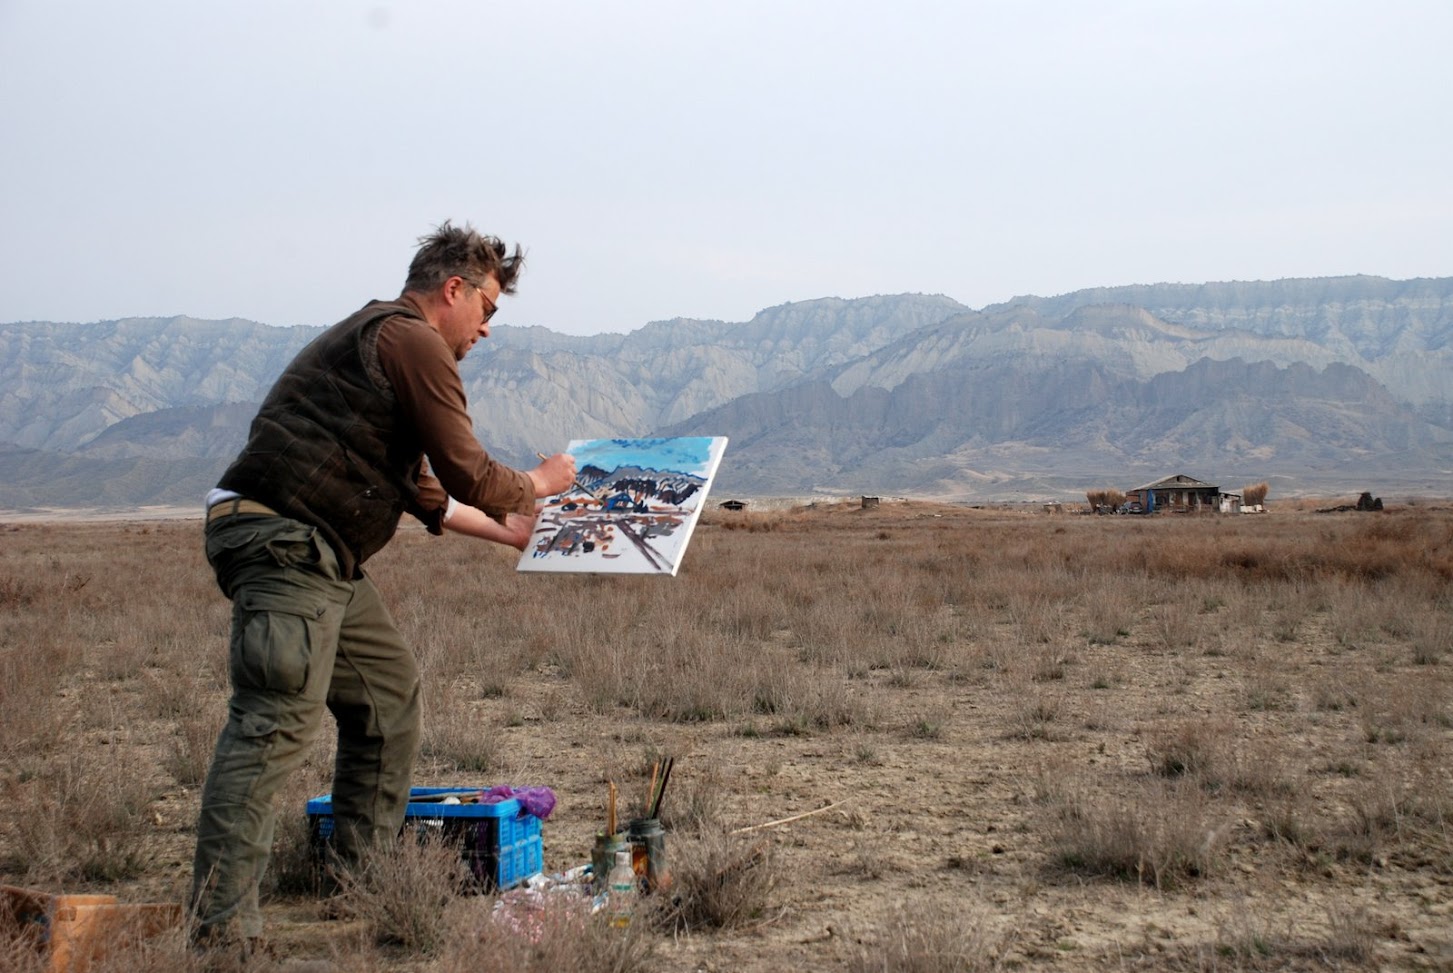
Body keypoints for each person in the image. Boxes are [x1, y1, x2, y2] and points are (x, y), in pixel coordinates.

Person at [190, 221, 576, 949]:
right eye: (487, 308)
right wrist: (539, 482)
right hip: (287, 542)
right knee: (271, 725)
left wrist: (511, 532)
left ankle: (362, 879)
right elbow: (468, 471)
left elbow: (422, 489)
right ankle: (219, 935)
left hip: (319, 553)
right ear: (454, 289)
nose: (486, 329)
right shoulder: (412, 339)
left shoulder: (381, 341)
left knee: (387, 697)